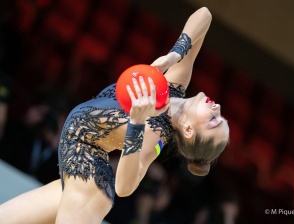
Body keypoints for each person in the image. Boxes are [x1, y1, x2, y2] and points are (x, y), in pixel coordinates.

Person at [0, 7, 229, 223]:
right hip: (75, 173)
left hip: (90, 184)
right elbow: (205, 15)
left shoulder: (155, 131)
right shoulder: (174, 84)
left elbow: (125, 187)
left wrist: (137, 123)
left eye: (212, 122)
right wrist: (175, 55)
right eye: (221, 117)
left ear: (189, 129)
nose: (217, 109)